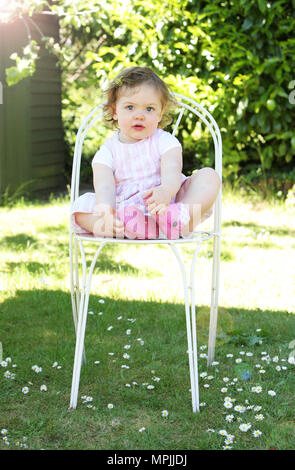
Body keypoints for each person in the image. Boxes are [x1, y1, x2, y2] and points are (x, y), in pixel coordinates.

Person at [71, 66, 221, 240]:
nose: (140, 115)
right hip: (126, 208)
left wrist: (166, 191)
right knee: (80, 208)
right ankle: (128, 227)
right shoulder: (108, 150)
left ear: (160, 113)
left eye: (149, 109)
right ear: (114, 112)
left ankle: (178, 219)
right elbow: (104, 185)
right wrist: (107, 210)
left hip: (168, 203)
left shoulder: (165, 141)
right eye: (130, 107)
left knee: (209, 176)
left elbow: (172, 169)